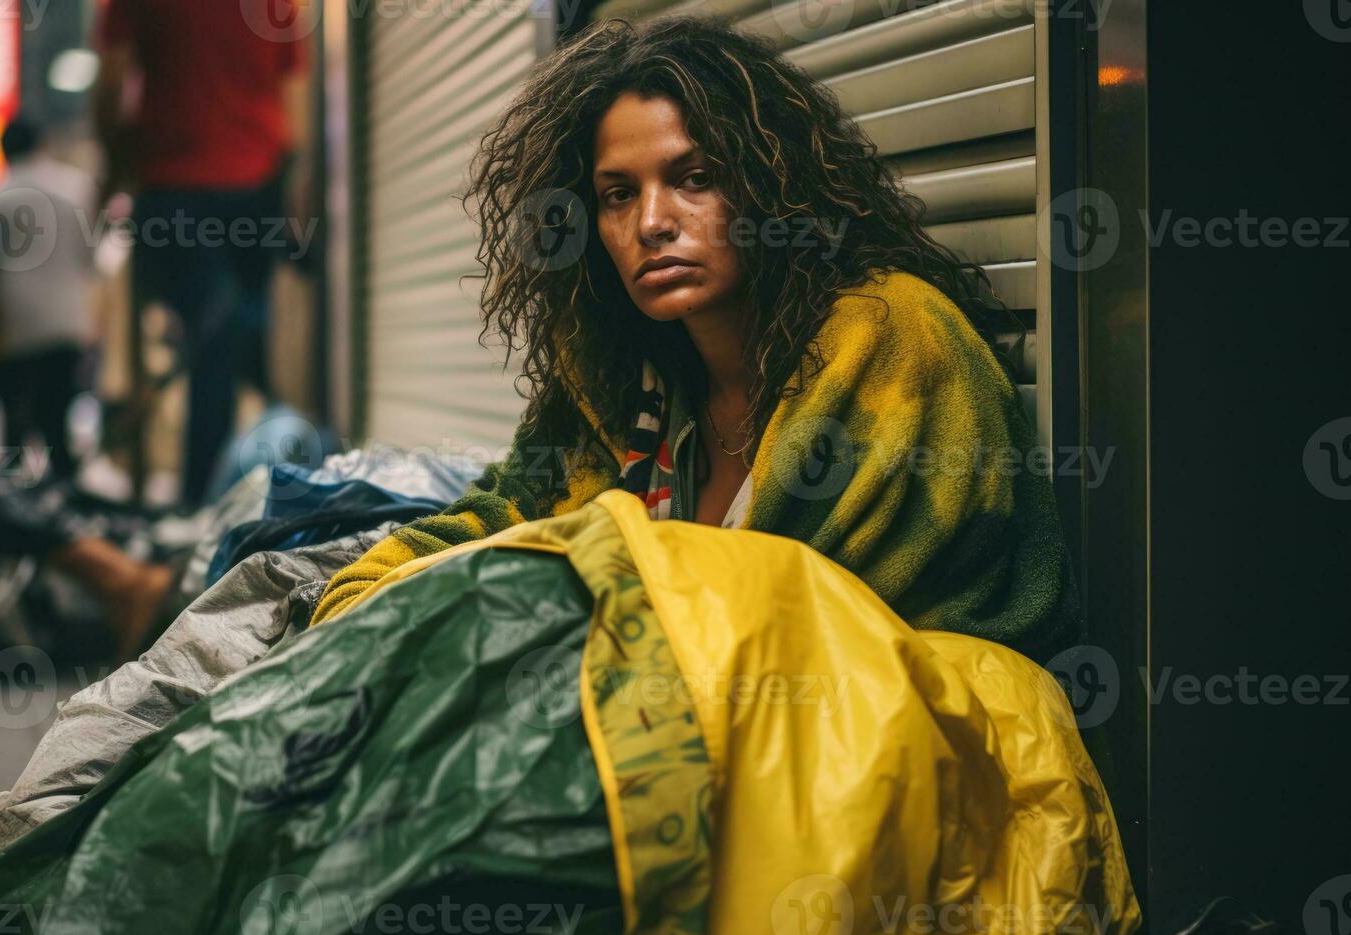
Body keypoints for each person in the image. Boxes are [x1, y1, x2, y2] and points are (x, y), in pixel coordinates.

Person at [314, 17, 1080, 661]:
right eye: (618, 194)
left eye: (695, 177)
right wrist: (367, 593)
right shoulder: (632, 381)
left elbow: (813, 641)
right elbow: (509, 515)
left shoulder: (887, 340)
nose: (652, 222)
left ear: (770, 184)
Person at [92, 0, 308, 506]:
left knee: (217, 338)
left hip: (174, 190)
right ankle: (239, 492)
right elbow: (293, 106)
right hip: (257, 187)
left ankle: (204, 500)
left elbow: (110, 91)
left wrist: (116, 166)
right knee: (241, 340)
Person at [0, 118, 99, 482]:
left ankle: (12, 496)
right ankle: (64, 489)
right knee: (58, 410)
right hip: (68, 319)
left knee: (15, 417)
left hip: (18, 324)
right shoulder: (78, 187)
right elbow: (90, 256)